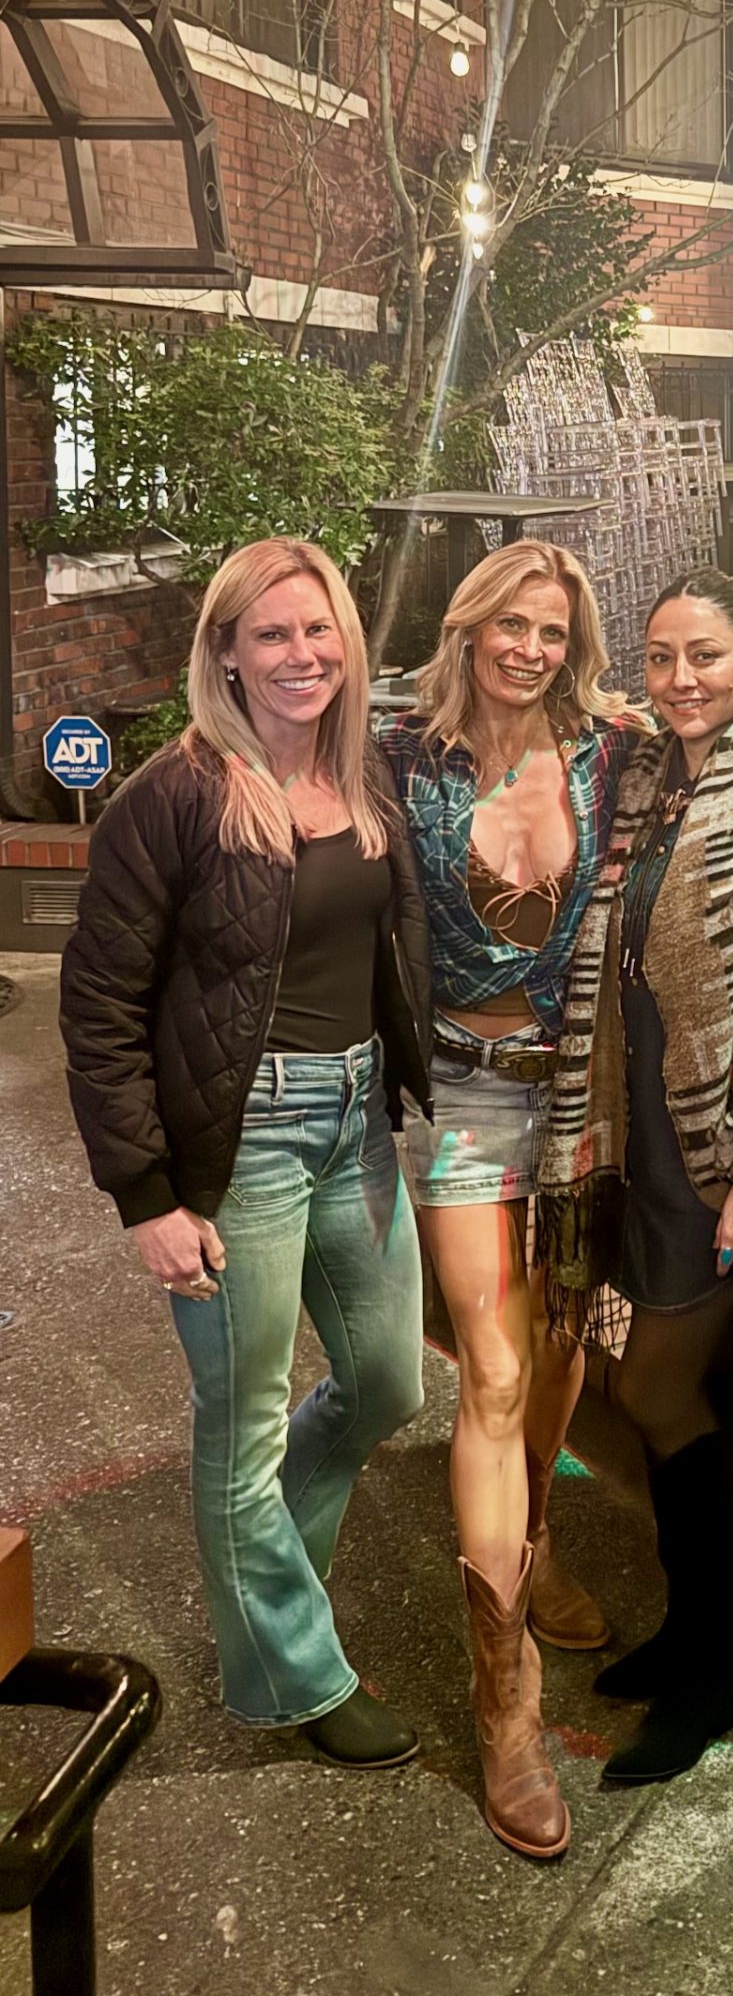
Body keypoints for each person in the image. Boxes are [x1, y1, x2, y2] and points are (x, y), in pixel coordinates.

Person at [60, 539, 433, 1767]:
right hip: (243, 1141)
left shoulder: (361, 773)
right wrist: (146, 1196)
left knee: (388, 1381)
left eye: (318, 630)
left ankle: (272, 1579)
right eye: (270, 634)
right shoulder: (173, 796)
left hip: (356, 1120)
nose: (300, 654)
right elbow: (100, 1003)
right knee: (244, 1420)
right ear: (224, 651)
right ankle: (290, 1672)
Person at [534, 569, 733, 1789]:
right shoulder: (646, 781)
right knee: (700, 1384)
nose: (680, 679)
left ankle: (715, 1660)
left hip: (731, 1155)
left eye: (705, 655)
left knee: (657, 1382)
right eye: (661, 657)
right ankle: (705, 1618)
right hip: (646, 1141)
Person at [377, 539, 630, 1860]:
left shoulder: (608, 755)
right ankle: (506, 1695)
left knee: (562, 1350)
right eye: (511, 624)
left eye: (552, 630)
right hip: (464, 1092)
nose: (530, 648)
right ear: (468, 626)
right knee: (490, 1366)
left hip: (581, 1087)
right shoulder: (403, 756)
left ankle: (532, 1536)